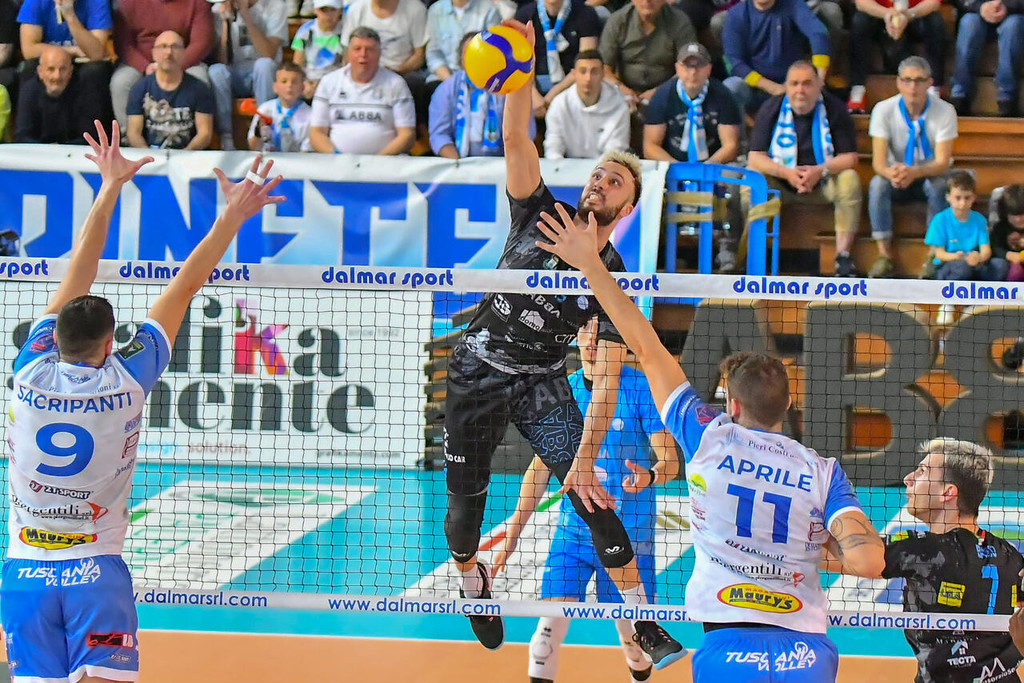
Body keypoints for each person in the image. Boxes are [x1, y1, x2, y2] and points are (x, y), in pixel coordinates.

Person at [533, 202, 886, 683]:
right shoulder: (823, 472)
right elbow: (868, 562)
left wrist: (592, 265)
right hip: (806, 650)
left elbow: (647, 348)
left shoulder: (709, 437)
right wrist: (808, 549)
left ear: (732, 405)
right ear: (787, 404)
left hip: (727, 647)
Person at [0, 120, 283, 683]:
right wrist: (231, 216)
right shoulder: (127, 379)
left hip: (23, 573)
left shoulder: (28, 368)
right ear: (111, 344)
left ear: (52, 336)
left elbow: (78, 270)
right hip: (96, 573)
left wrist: (108, 186)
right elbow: (184, 286)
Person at [442, 17, 685, 669]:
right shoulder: (539, 210)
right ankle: (472, 578)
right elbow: (515, 136)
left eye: (615, 182)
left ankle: (642, 620)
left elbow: (607, 381)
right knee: (462, 517)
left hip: (540, 382)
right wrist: (521, 67)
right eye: (599, 175)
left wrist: (582, 457)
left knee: (594, 494)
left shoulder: (614, 278)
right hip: (476, 369)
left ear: (627, 209)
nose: (600, 182)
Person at [491, 316, 680, 683]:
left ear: (618, 341)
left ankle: (636, 660)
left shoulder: (640, 389)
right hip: (574, 536)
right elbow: (539, 469)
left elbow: (670, 461)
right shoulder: (565, 392)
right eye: (584, 329)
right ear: (574, 335)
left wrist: (651, 475)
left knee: (637, 647)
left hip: (629, 539)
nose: (591, 339)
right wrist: (512, 534)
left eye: (599, 330)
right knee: (544, 640)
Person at [841, 439, 1024, 683]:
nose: (908, 478)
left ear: (948, 493)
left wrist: (838, 500)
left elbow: (842, 557)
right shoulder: (1009, 554)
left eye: (922, 471)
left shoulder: (925, 550)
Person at [746, 61, 862, 277]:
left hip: (823, 183)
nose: (800, 90)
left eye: (807, 84)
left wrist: (820, 170)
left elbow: (850, 158)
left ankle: (843, 257)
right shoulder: (770, 108)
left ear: (819, 85)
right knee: (752, 181)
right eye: (794, 84)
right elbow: (755, 157)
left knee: (850, 179)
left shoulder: (835, 108)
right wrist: (786, 173)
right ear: (786, 86)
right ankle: (754, 253)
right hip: (780, 184)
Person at [867, 56, 956, 279]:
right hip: (896, 176)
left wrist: (915, 172)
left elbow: (942, 162)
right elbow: (878, 163)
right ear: (898, 83)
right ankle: (884, 255)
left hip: (929, 174)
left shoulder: (945, 111)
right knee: (877, 184)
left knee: (940, 186)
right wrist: (892, 173)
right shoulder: (883, 109)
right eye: (907, 80)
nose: (912, 87)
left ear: (930, 83)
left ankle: (934, 254)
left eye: (919, 80)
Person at [309, 26, 415, 154]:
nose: (363, 54)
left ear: (379, 53)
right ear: (348, 53)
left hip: (385, 162)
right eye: (357, 49)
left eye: (370, 49)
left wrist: (377, 161)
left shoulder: (396, 84)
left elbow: (407, 134)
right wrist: (337, 157)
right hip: (337, 163)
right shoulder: (328, 82)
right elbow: (316, 133)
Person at [110, 0, 213, 130]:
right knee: (121, 82)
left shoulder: (198, 3)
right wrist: (145, 67)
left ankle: (194, 135)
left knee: (200, 78)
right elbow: (123, 44)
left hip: (183, 62)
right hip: (141, 63)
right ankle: (130, 137)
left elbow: (201, 43)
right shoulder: (128, 3)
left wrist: (174, 66)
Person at [428, 33, 532, 158]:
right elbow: (439, 135)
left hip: (503, 162)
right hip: (459, 163)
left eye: (479, 53)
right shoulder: (446, 90)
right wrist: (458, 164)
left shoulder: (509, 86)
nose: (474, 58)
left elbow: (526, 132)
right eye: (469, 53)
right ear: (461, 58)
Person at [721, 0, 831, 115]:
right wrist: (774, 88)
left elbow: (818, 34)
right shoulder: (736, 15)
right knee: (732, 86)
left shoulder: (793, 4)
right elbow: (735, 63)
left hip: (792, 82)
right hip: (755, 86)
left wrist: (819, 77)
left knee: (810, 87)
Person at [209, 0, 289, 150]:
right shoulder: (218, 10)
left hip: (263, 74)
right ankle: (226, 139)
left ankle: (265, 132)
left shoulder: (275, 6)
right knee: (216, 71)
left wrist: (245, 15)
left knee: (264, 65)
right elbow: (222, 59)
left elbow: (269, 53)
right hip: (235, 73)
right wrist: (226, 23)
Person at [17, 0, 113, 122]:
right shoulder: (35, 2)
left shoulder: (96, 2)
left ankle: (89, 130)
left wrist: (69, 15)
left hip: (83, 64)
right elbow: (29, 50)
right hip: (53, 60)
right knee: (29, 67)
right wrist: (71, 50)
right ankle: (28, 130)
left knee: (95, 71)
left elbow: (96, 53)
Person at [846, 0, 945, 114]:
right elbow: (862, 3)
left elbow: (933, 3)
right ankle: (857, 90)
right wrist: (887, 14)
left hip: (914, 15)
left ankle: (934, 89)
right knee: (860, 20)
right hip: (879, 16)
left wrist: (910, 14)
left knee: (935, 21)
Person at [341, 0, 429, 122]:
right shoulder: (355, 10)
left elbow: (419, 56)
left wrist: (395, 72)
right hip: (364, 72)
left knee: (414, 83)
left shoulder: (416, 9)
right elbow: (348, 53)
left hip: (402, 73)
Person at [599, 0, 697, 111]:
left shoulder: (679, 21)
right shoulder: (618, 21)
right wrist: (620, 88)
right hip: (623, 92)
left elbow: (688, 66)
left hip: (668, 92)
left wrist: (659, 92)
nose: (647, 1)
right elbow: (603, 67)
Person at [126, 30, 214, 150]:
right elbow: (133, 134)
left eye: (175, 47)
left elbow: (204, 134)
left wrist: (184, 155)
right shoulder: (139, 89)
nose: (168, 52)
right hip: (151, 156)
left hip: (189, 155)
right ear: (154, 53)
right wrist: (150, 156)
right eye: (163, 47)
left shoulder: (200, 89)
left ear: (183, 53)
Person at [515, 0, 600, 117]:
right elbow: (520, 62)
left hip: (571, 87)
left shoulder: (585, 13)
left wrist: (551, 98)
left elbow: (586, 64)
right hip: (533, 87)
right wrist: (533, 95)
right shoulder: (525, 15)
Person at [543, 50, 630, 160]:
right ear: (574, 74)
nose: (588, 78)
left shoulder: (619, 105)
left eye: (594, 72)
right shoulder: (559, 104)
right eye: (583, 71)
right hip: (567, 165)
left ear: (603, 74)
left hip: (605, 166)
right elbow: (553, 144)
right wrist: (558, 164)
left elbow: (616, 148)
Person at [925, 170, 1008, 282]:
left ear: (973, 198)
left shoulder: (979, 219)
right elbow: (939, 254)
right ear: (948, 197)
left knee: (1000, 265)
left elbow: (986, 250)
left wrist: (978, 257)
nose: (963, 203)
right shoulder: (940, 220)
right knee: (962, 268)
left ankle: (982, 290)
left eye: (967, 198)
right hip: (949, 263)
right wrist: (958, 257)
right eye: (958, 198)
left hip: (974, 262)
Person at [950, 0, 1024, 117]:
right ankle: (960, 97)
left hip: (1014, 13)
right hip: (976, 12)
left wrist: (1007, 6)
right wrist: (980, 7)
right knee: (969, 22)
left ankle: (1007, 100)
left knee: (1013, 26)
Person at [15, 45, 96, 143]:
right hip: (39, 150)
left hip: (73, 150)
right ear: (40, 72)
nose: (57, 76)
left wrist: (61, 149)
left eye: (63, 69)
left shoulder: (85, 91)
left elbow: (89, 137)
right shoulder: (29, 91)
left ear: (70, 71)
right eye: (51, 69)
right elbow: (23, 136)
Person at [247, 61, 311, 151]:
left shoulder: (310, 114)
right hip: (268, 158)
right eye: (284, 81)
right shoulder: (265, 110)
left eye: (294, 82)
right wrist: (258, 134)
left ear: (302, 88)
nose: (289, 85)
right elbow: (253, 147)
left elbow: (306, 151)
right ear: (275, 87)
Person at [290, 0, 344, 101]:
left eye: (333, 10)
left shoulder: (345, 31)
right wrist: (304, 83)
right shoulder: (305, 30)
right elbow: (297, 66)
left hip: (335, 84)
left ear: (340, 11)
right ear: (315, 10)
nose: (328, 15)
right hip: (308, 83)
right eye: (324, 10)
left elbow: (347, 66)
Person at [988, 184, 1024, 281]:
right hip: (1010, 265)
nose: (1018, 219)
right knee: (1015, 272)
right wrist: (1008, 255)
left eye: (1021, 214)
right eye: (1013, 215)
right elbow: (995, 247)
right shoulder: (1001, 227)